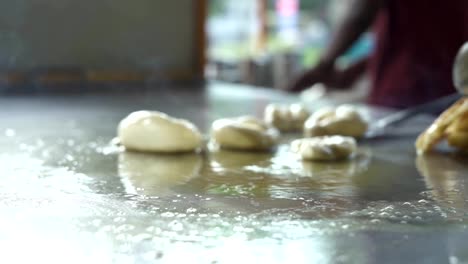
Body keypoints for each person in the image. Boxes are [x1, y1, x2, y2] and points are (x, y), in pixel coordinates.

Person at [287, 0, 468, 109]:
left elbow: (360, 15)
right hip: (452, 97)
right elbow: (424, 34)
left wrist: (324, 66)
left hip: (403, 94)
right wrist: (360, 68)